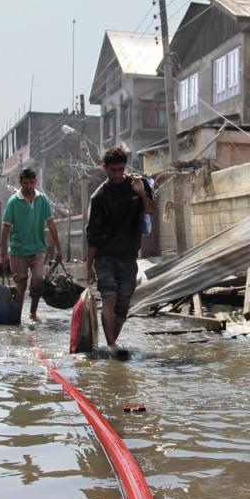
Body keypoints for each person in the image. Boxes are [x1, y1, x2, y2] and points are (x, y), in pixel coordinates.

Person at [85, 146, 154, 351]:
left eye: (120, 169)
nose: (117, 174)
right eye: (112, 170)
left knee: (123, 305)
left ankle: (111, 346)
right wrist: (89, 267)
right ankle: (112, 345)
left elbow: (150, 210)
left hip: (129, 256)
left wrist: (142, 194)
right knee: (109, 298)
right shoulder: (99, 198)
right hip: (105, 256)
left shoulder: (138, 185)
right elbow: (93, 236)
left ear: (125, 167)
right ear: (104, 168)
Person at [0, 167, 62, 322]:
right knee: (20, 284)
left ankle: (33, 313)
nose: (29, 186)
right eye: (26, 183)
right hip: (17, 250)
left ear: (35, 182)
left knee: (38, 280)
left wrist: (59, 248)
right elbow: (6, 228)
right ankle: (17, 317)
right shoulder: (13, 202)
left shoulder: (42, 200)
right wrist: (3, 254)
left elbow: (51, 224)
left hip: (37, 248)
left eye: (31, 183)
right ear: (20, 182)